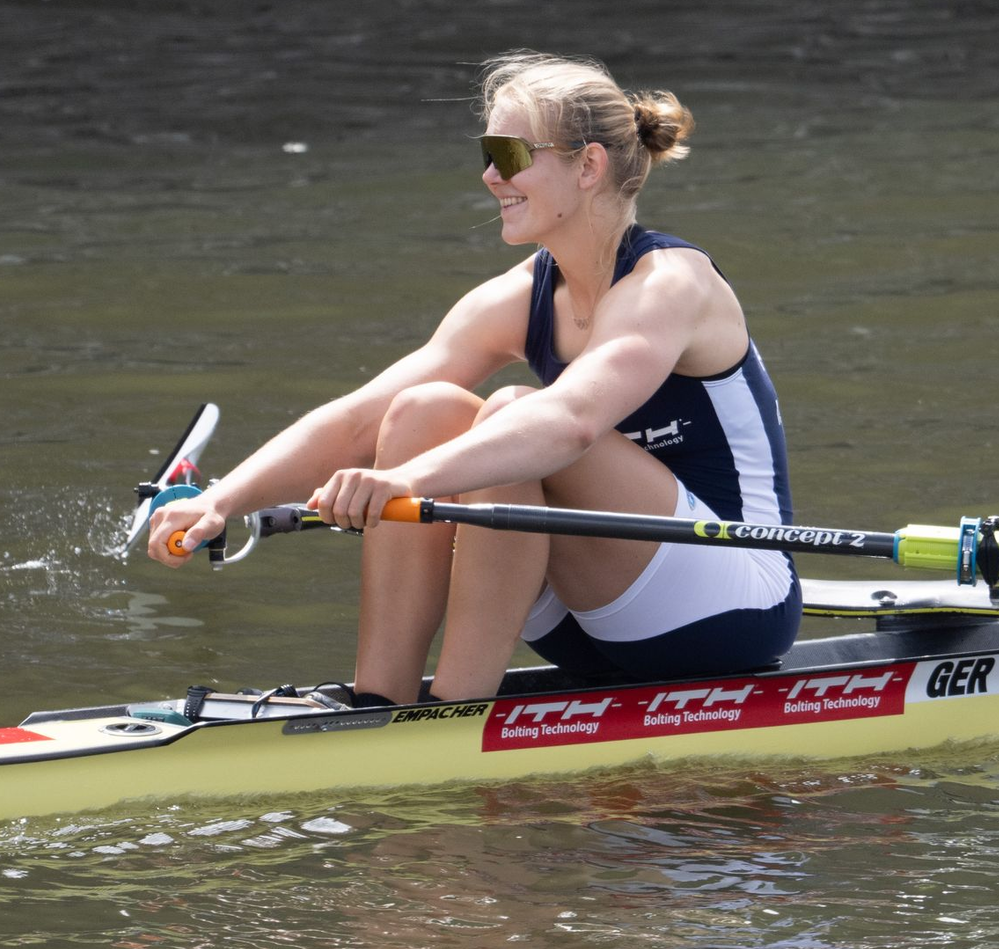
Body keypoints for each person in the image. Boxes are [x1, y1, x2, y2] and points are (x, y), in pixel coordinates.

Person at [148, 51, 801, 705]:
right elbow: (356, 422)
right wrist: (221, 500)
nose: (492, 175)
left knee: (514, 409)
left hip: (729, 608)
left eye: (511, 153)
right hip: (591, 617)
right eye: (488, 153)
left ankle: (457, 709)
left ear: (589, 166)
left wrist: (406, 482)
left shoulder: (670, 284)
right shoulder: (518, 299)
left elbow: (569, 422)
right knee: (419, 411)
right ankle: (379, 700)